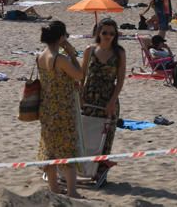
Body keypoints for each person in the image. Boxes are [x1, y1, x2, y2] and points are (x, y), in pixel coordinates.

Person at [37, 21, 83, 198]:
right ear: (61, 36)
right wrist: (72, 53)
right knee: (67, 148)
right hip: (63, 108)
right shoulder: (60, 58)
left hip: (47, 107)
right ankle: (72, 191)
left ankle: (54, 188)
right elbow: (79, 75)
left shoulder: (41, 56)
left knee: (50, 148)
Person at [81, 18, 126, 177]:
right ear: (98, 32)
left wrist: (113, 101)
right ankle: (82, 169)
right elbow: (82, 75)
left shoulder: (119, 52)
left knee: (105, 137)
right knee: (85, 133)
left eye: (112, 33)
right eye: (105, 32)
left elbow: (120, 79)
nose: (108, 36)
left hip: (108, 96)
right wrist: (80, 95)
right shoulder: (89, 50)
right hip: (89, 95)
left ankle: (99, 172)